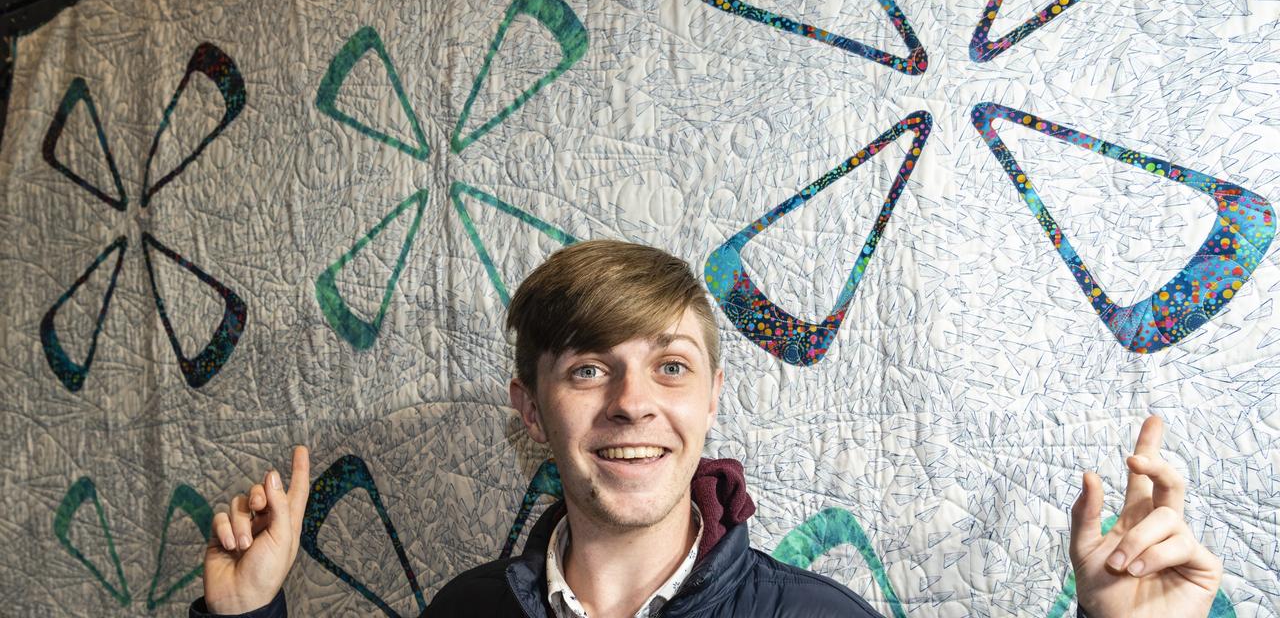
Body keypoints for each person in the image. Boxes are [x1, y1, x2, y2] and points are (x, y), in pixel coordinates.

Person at [190, 240, 1223, 618]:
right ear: (530, 409)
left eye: (669, 368)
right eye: (589, 369)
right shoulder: (468, 611)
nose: (632, 404)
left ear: (709, 398)